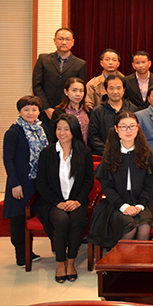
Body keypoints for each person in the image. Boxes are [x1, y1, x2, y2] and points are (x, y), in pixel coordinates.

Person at [87, 111, 153, 250]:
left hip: (141, 202)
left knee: (145, 225)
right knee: (130, 227)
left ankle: (139, 261)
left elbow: (150, 185)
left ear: (138, 128)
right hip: (116, 203)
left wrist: (140, 205)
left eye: (132, 126)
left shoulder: (146, 152)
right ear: (116, 129)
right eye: (123, 127)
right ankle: (123, 261)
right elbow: (107, 186)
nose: (128, 130)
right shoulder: (110, 153)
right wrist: (123, 206)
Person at [35, 114, 94, 282]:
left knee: (77, 220)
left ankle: (71, 262)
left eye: (66, 129)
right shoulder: (47, 153)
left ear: (74, 130)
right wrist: (57, 202)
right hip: (52, 202)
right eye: (59, 129)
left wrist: (77, 201)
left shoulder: (84, 152)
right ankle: (60, 263)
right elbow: (41, 182)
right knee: (61, 220)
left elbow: (88, 180)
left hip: (77, 201)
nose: (62, 132)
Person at [3, 96, 49, 267]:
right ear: (20, 111)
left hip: (38, 181)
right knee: (19, 217)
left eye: (34, 109)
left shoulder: (42, 128)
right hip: (21, 182)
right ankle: (21, 254)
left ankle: (29, 251)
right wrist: (15, 184)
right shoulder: (13, 132)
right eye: (26, 109)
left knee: (32, 214)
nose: (31, 113)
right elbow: (8, 160)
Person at [32, 28, 86, 121]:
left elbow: (79, 90)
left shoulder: (80, 64)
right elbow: (37, 86)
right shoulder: (43, 59)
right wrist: (46, 108)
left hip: (67, 112)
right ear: (54, 41)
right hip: (44, 111)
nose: (64, 42)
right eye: (60, 39)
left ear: (72, 42)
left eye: (67, 39)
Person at [88, 75, 138, 156]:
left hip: (129, 155)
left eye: (118, 88)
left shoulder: (132, 109)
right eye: (111, 88)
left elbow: (137, 133)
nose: (115, 92)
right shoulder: (98, 111)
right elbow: (93, 136)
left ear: (124, 90)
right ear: (106, 90)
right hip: (104, 155)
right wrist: (107, 152)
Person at [52, 77, 90, 144]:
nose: (78, 94)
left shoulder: (89, 111)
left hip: (86, 149)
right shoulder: (58, 112)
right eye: (74, 90)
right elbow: (53, 136)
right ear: (66, 92)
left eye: (81, 91)